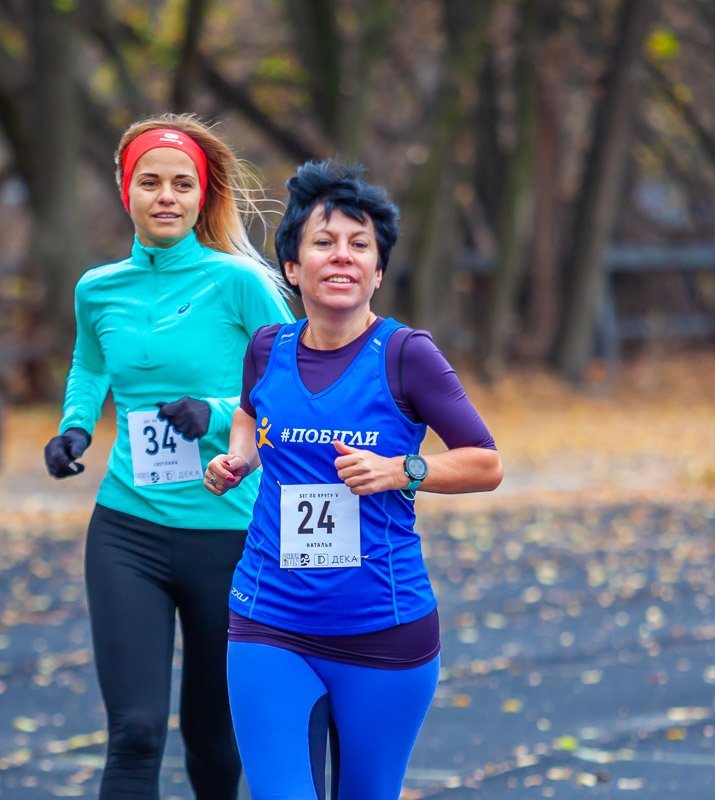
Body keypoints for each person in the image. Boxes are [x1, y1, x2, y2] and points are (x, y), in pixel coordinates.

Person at [205, 160, 503, 798]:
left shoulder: (405, 355)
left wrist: (402, 469)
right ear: (292, 267)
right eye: (323, 242)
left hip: (383, 627)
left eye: (359, 245)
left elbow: (485, 461)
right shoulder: (267, 348)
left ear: (378, 270)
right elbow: (251, 411)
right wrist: (240, 458)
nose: (342, 257)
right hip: (270, 619)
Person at [43, 114, 294, 797]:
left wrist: (213, 414)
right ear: (126, 190)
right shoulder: (98, 288)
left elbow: (294, 387)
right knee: (134, 733)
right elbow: (90, 364)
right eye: (150, 182)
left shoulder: (240, 282)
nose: (166, 197)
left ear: (202, 196)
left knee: (214, 741)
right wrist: (74, 428)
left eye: (183, 184)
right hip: (128, 531)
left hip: (231, 532)